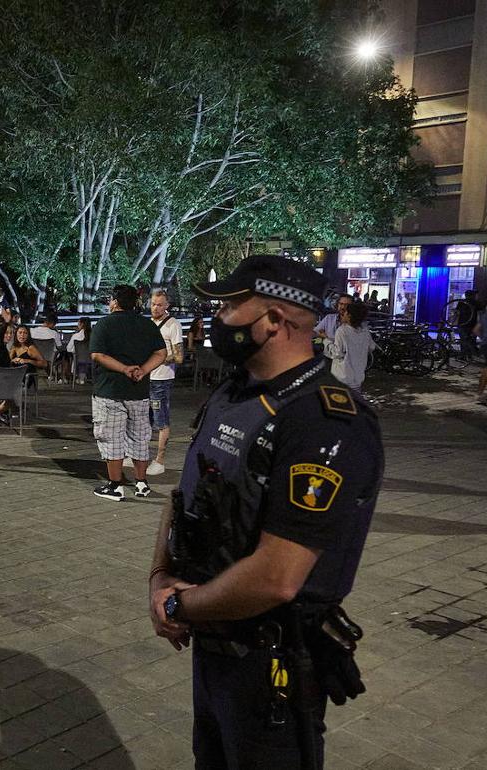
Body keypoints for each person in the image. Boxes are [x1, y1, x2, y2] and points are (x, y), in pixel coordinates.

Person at [147, 254, 383, 770]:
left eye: (231, 306)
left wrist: (176, 608)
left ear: (274, 320)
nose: (218, 319)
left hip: (271, 663)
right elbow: (187, 493)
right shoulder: (234, 394)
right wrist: (160, 576)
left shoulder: (325, 421)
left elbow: (278, 577)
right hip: (213, 643)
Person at [88, 285, 167, 501]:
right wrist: (142, 370)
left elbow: (97, 354)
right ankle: (141, 483)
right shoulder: (147, 325)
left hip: (110, 391)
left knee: (111, 438)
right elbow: (161, 353)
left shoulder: (104, 324)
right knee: (140, 438)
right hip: (139, 391)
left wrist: (124, 369)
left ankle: (116, 485)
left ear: (115, 301)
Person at [147, 290, 184, 476]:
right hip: (147, 377)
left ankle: (160, 460)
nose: (155, 307)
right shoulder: (149, 323)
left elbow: (179, 356)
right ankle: (138, 454)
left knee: (161, 420)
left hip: (162, 379)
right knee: (144, 419)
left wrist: (159, 359)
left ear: (166, 305)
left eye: (159, 304)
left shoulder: (173, 325)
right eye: (153, 304)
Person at [325, 301, 375, 393]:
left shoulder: (342, 331)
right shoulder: (365, 331)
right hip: (358, 376)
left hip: (343, 377)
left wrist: (327, 341)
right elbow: (371, 347)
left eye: (345, 312)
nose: (343, 314)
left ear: (349, 315)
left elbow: (336, 352)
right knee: (354, 402)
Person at [29, 314, 64, 381]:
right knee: (63, 355)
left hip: (35, 356)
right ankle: (61, 377)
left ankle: (51, 375)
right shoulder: (54, 333)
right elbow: (60, 347)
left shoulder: (32, 331)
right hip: (50, 358)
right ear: (52, 324)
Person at [453, 289, 481, 357]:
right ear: (473, 295)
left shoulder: (461, 302)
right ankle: (470, 354)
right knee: (471, 339)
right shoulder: (476, 303)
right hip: (472, 324)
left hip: (462, 324)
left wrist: (454, 321)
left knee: (463, 340)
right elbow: (480, 313)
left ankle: (463, 355)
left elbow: (456, 313)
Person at [66, 317, 92, 384]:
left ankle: (80, 378)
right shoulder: (95, 335)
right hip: (93, 360)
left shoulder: (76, 336)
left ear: (81, 324)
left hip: (79, 360)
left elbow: (68, 349)